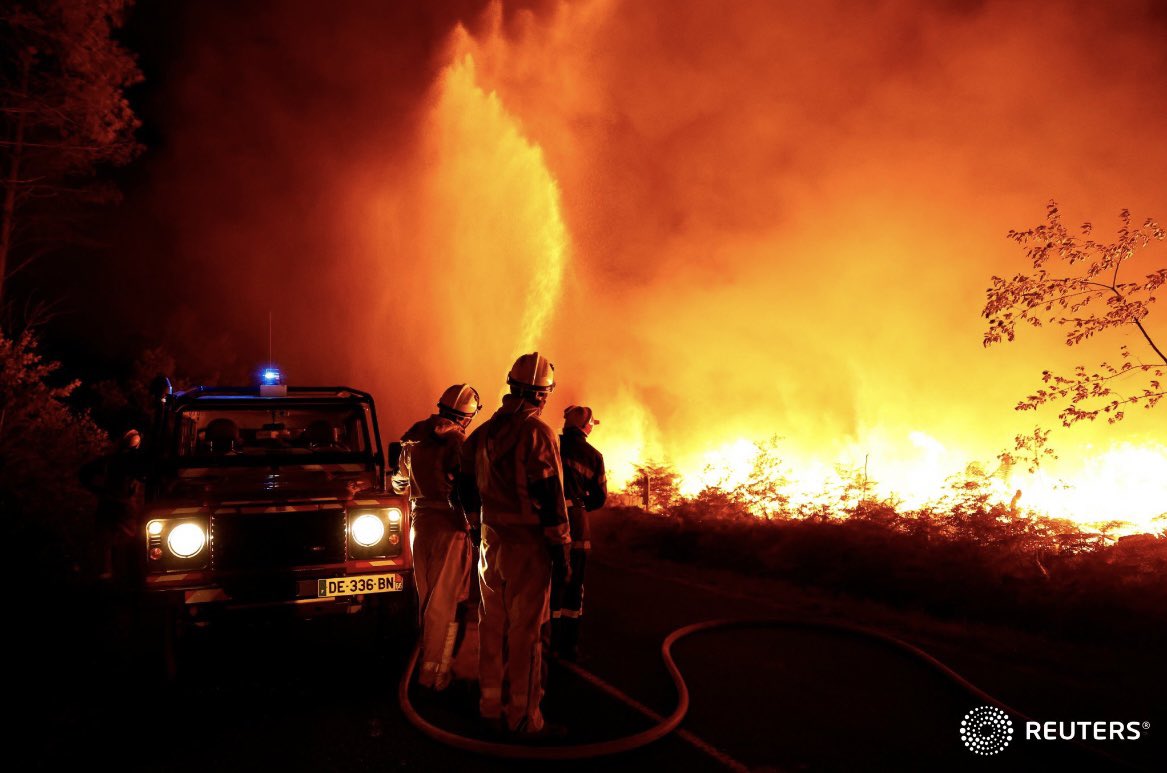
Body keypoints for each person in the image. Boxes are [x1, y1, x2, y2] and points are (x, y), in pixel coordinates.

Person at [454, 352, 571, 736]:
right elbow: (550, 495)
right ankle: (523, 717)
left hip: (491, 543)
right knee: (527, 631)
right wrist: (561, 548)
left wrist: (476, 529)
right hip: (529, 546)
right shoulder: (538, 434)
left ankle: (489, 705)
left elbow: (465, 489)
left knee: (491, 623)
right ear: (541, 395)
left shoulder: (483, 433)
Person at [400, 384, 482, 691]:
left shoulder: (414, 439)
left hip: (419, 527)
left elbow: (399, 482)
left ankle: (431, 665)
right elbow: (469, 488)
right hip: (451, 528)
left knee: (427, 598)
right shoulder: (458, 442)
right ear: (468, 416)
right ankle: (434, 675)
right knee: (445, 603)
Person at [551, 405, 607, 661]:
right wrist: (581, 502)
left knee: (548, 581)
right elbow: (599, 498)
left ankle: (545, 640)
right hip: (577, 523)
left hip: (549, 519)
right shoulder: (594, 456)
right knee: (574, 585)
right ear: (587, 426)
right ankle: (569, 645)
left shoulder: (550, 444)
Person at [79, 429, 145, 582]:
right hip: (122, 506)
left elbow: (84, 473)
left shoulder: (110, 460)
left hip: (112, 503)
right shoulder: (129, 462)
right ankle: (121, 576)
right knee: (125, 539)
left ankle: (109, 575)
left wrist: (97, 490)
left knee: (107, 539)